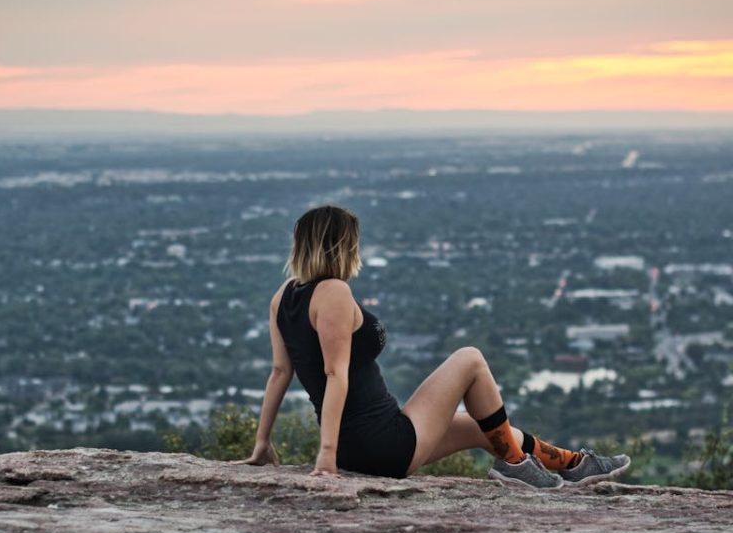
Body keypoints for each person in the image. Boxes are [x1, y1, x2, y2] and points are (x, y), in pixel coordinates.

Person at [231, 204, 631, 489]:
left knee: (483, 428)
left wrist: (262, 443)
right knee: (470, 358)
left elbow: (279, 373)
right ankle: (514, 465)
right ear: (340, 245)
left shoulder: (282, 296)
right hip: (381, 442)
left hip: (367, 444)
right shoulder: (333, 291)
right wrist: (326, 455)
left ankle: (573, 465)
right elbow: (335, 374)